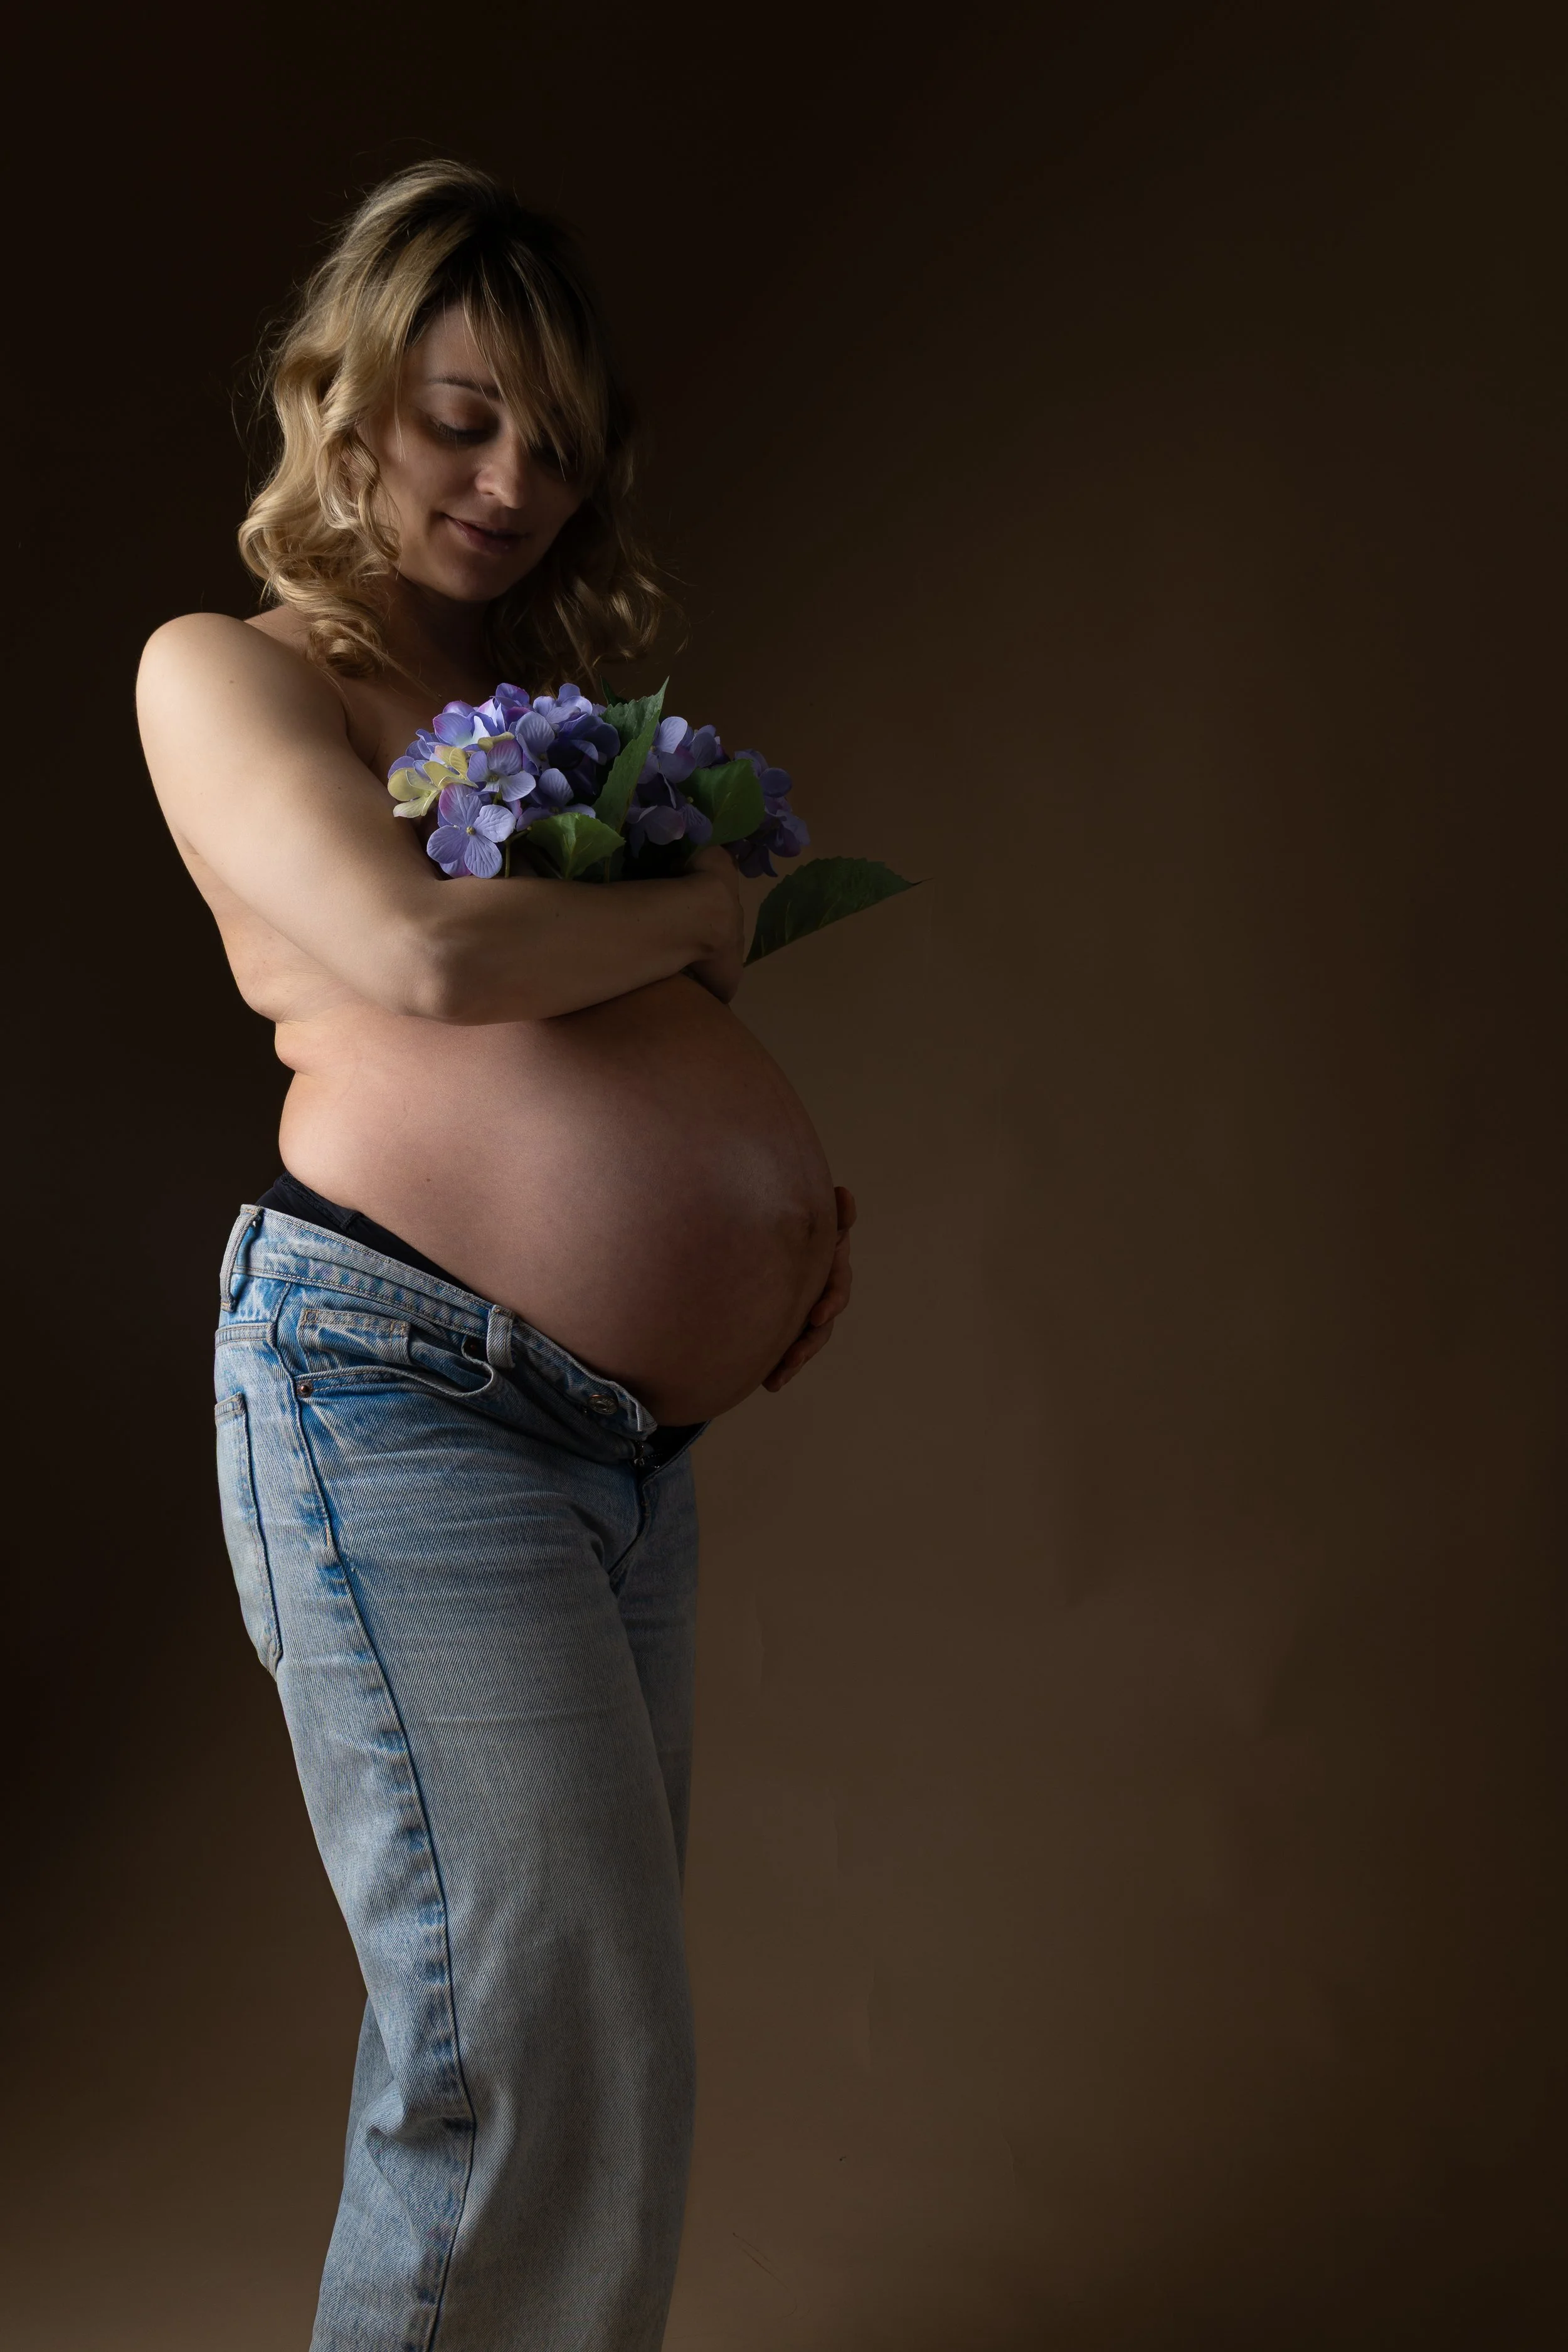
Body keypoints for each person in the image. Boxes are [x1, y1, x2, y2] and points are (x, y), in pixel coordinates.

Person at [136, 159, 855, 2352]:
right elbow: (412, 955)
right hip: (397, 1391)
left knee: (596, 2046)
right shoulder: (230, 675)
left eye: (554, 439)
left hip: (609, 1448)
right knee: (533, 2057)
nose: (515, 477)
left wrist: (769, 1211)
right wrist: (706, 910)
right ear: (336, 400)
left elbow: (607, 1070)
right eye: (461, 416)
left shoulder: (529, 719)